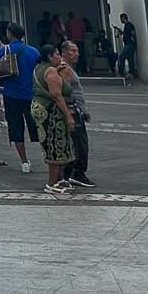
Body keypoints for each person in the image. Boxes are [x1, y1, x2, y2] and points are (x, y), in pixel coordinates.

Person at [31, 44, 75, 197]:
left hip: (41, 109)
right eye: (56, 54)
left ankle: (59, 179)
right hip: (51, 112)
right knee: (54, 145)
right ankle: (51, 182)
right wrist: (68, 115)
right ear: (50, 56)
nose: (59, 57)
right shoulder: (49, 70)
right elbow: (57, 95)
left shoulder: (40, 68)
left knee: (56, 143)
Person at [0, 23, 40, 173]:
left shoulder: (4, 50)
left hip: (11, 93)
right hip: (30, 94)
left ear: (9, 34)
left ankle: (24, 161)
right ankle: (47, 154)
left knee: (16, 128)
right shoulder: (33, 51)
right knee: (38, 126)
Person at [59, 40, 94, 187]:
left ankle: (71, 172)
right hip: (73, 110)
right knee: (79, 143)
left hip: (76, 109)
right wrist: (72, 110)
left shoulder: (68, 68)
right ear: (64, 52)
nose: (76, 54)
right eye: (72, 51)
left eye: (77, 51)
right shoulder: (64, 68)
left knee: (76, 142)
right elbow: (64, 91)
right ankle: (77, 172)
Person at [117, 13, 138, 79]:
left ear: (123, 18)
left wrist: (132, 39)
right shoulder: (127, 25)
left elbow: (132, 33)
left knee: (122, 57)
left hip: (129, 44)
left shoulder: (128, 25)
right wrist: (122, 32)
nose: (120, 20)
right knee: (130, 59)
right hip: (130, 44)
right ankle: (132, 73)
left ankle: (121, 72)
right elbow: (128, 33)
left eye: (121, 18)